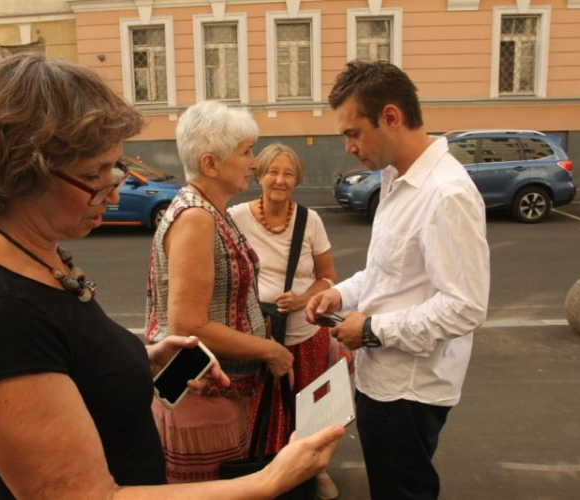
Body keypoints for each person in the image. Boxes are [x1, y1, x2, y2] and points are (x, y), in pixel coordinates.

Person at [0, 53, 344, 499]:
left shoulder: (32, 255)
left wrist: (144, 360)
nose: (112, 193)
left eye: (116, 167)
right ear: (23, 174)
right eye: (94, 175)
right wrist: (269, 480)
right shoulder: (0, 320)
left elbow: (69, 362)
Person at [306, 60, 491, 499]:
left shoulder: (445, 194)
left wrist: (370, 330)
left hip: (407, 391)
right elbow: (388, 273)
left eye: (353, 133)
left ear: (391, 117)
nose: (349, 147)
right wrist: (338, 293)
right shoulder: (394, 178)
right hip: (385, 378)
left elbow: (465, 306)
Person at [145, 100, 296, 483]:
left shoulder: (208, 209)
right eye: (245, 152)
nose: (253, 162)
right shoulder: (196, 217)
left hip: (213, 395)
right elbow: (189, 324)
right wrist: (269, 350)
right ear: (211, 163)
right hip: (201, 398)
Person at [228, 143, 340, 499]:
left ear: (297, 179)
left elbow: (328, 277)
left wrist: (305, 298)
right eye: (272, 172)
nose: (280, 180)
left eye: (288, 173)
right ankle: (265, 471)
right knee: (260, 410)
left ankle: (317, 468)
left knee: (310, 409)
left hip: (305, 333)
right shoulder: (235, 217)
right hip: (258, 335)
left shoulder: (310, 221)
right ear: (259, 176)